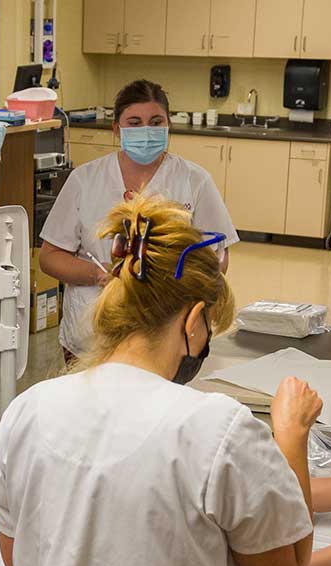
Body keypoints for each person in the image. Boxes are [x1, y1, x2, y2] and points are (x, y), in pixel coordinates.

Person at [0, 196, 320, 566]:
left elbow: (14, 557)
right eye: (210, 324)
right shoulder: (216, 430)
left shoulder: (29, 409)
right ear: (194, 319)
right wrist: (291, 436)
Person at [38, 80, 237, 360]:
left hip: (165, 332)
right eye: (134, 122)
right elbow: (50, 257)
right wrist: (98, 274)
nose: (146, 130)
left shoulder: (194, 181)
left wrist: (181, 281)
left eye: (156, 122)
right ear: (117, 129)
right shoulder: (85, 180)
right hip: (92, 332)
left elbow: (218, 255)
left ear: (168, 125)